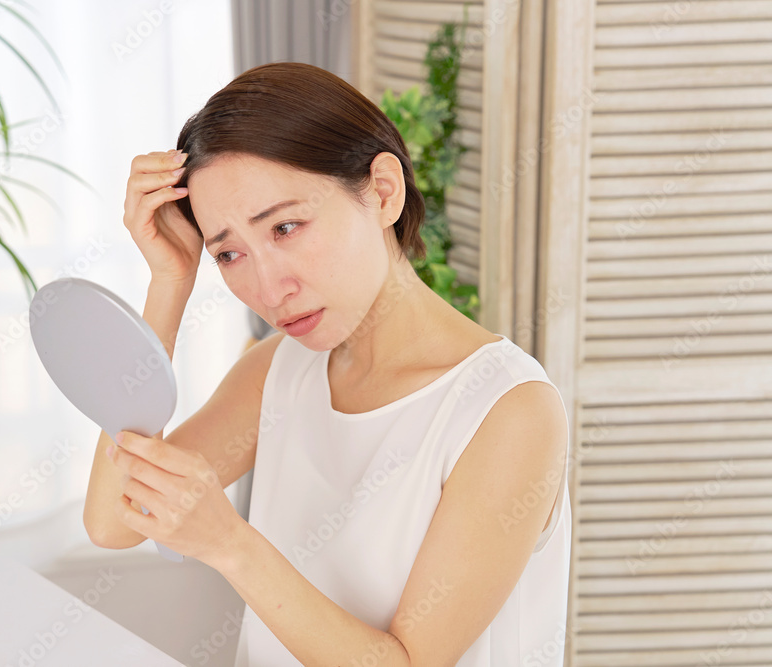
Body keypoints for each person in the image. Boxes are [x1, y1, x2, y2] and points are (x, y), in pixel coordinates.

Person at [87, 61, 572, 667]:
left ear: (383, 191)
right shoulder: (278, 371)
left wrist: (230, 544)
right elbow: (114, 520)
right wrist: (169, 280)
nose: (269, 287)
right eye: (230, 254)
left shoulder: (508, 411)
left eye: (286, 227)